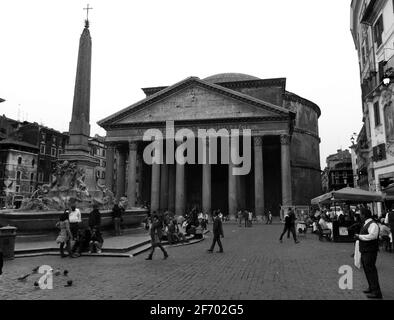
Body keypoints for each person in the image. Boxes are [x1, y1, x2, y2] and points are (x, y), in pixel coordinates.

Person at [355, 208, 383, 299]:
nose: (360, 216)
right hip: (365, 250)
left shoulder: (373, 224)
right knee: (367, 271)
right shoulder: (366, 223)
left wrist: (360, 236)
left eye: (361, 214)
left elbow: (372, 236)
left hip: (370, 251)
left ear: (364, 215)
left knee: (371, 271)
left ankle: (376, 292)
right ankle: (371, 287)